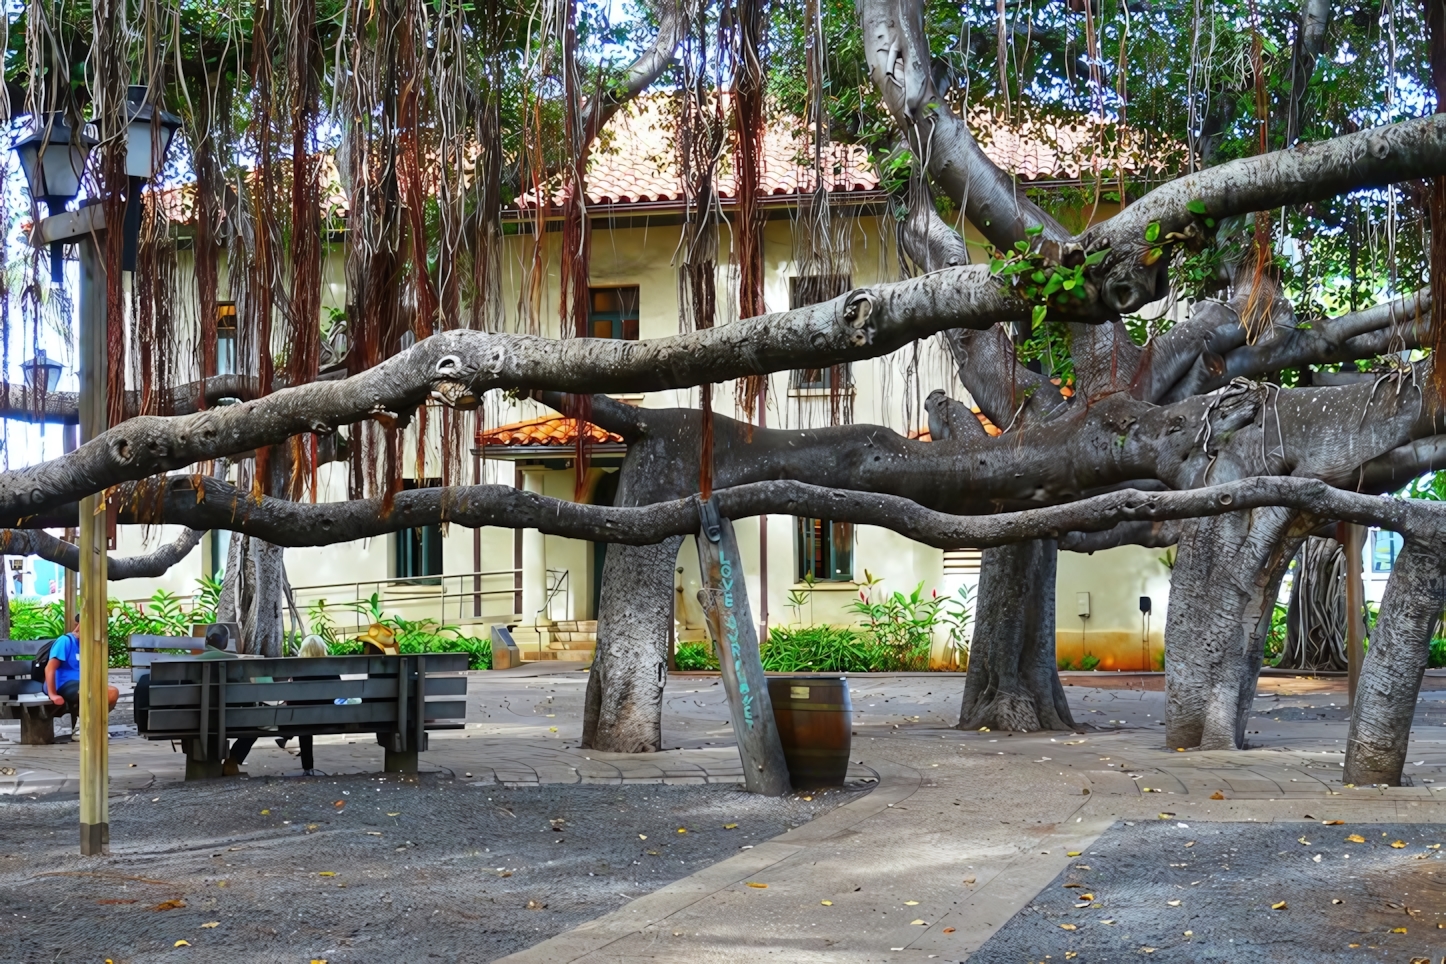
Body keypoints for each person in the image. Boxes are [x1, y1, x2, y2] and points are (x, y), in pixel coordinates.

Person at [46, 615, 119, 736]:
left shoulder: (90, 645)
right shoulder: (65, 641)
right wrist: (52, 694)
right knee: (89, 691)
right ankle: (81, 728)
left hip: (84, 682)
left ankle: (94, 725)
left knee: (112, 692)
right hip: (65, 684)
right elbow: (49, 668)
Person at [276, 635, 335, 775]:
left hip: (303, 719)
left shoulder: (298, 670)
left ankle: (307, 767)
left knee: (302, 716)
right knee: (306, 715)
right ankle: (306, 765)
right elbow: (336, 695)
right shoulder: (332, 668)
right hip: (328, 718)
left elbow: (293, 700)